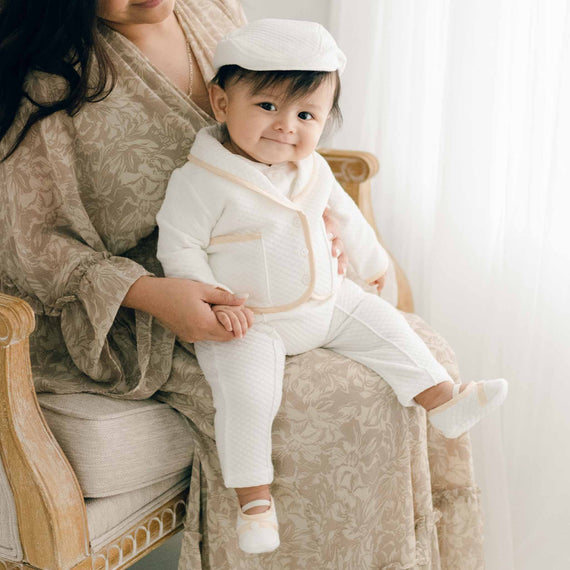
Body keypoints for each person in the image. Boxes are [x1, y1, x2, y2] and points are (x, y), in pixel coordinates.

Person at [0, 1, 488, 567]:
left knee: (426, 355)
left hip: (280, 283)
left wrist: (310, 218)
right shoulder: (45, 79)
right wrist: (151, 293)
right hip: (143, 312)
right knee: (338, 397)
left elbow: (282, 133)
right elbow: (28, 244)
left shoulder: (214, 12)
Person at [156, 19, 508, 555]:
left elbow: (347, 219)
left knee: (389, 327)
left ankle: (443, 400)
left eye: (306, 115)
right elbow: (178, 248)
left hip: (326, 299)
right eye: (267, 107)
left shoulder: (311, 168)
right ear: (222, 102)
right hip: (252, 321)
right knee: (245, 396)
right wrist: (212, 299)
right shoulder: (200, 182)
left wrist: (373, 268)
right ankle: (254, 501)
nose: (285, 127)